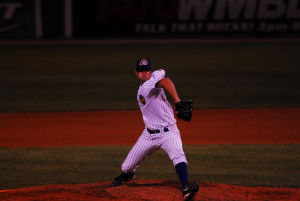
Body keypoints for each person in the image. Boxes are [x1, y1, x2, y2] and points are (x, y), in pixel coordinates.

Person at [110, 58, 198, 201]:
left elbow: (164, 81)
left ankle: (186, 188)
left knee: (178, 156)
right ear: (136, 73)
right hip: (148, 135)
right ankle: (129, 174)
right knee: (126, 166)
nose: (144, 73)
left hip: (169, 133)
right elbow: (162, 76)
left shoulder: (149, 85)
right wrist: (176, 100)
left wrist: (177, 100)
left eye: (147, 70)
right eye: (141, 71)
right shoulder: (148, 83)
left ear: (150, 71)